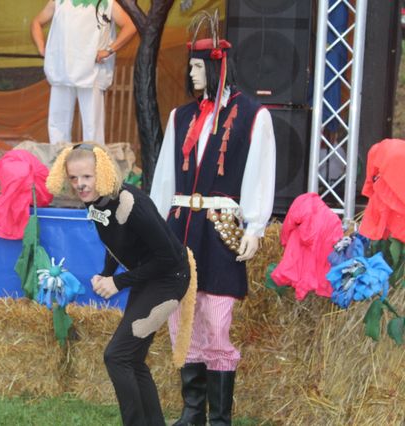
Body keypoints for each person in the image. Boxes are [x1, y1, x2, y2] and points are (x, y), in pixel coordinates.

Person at [150, 31, 276, 425]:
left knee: (217, 321)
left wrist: (254, 226)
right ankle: (193, 413)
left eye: (197, 66)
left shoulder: (254, 115)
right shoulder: (181, 116)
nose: (191, 73)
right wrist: (154, 229)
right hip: (181, 230)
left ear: (216, 65)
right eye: (190, 66)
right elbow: (165, 178)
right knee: (182, 318)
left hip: (219, 230)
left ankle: (220, 418)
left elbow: (260, 172)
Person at [46, 143, 194, 426]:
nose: (80, 184)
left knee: (117, 356)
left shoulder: (132, 203)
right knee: (131, 359)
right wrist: (106, 273)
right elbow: (113, 239)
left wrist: (118, 282)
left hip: (168, 279)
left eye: (86, 177)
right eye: (73, 178)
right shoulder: (95, 200)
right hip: (148, 276)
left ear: (102, 172)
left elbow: (168, 259)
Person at [31, 0, 136, 145]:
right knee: (58, 125)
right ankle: (60, 158)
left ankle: (93, 159)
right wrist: (42, 48)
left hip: (91, 71)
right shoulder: (59, 1)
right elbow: (36, 22)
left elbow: (130, 26)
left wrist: (109, 50)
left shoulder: (106, 2)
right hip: (62, 70)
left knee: (92, 128)